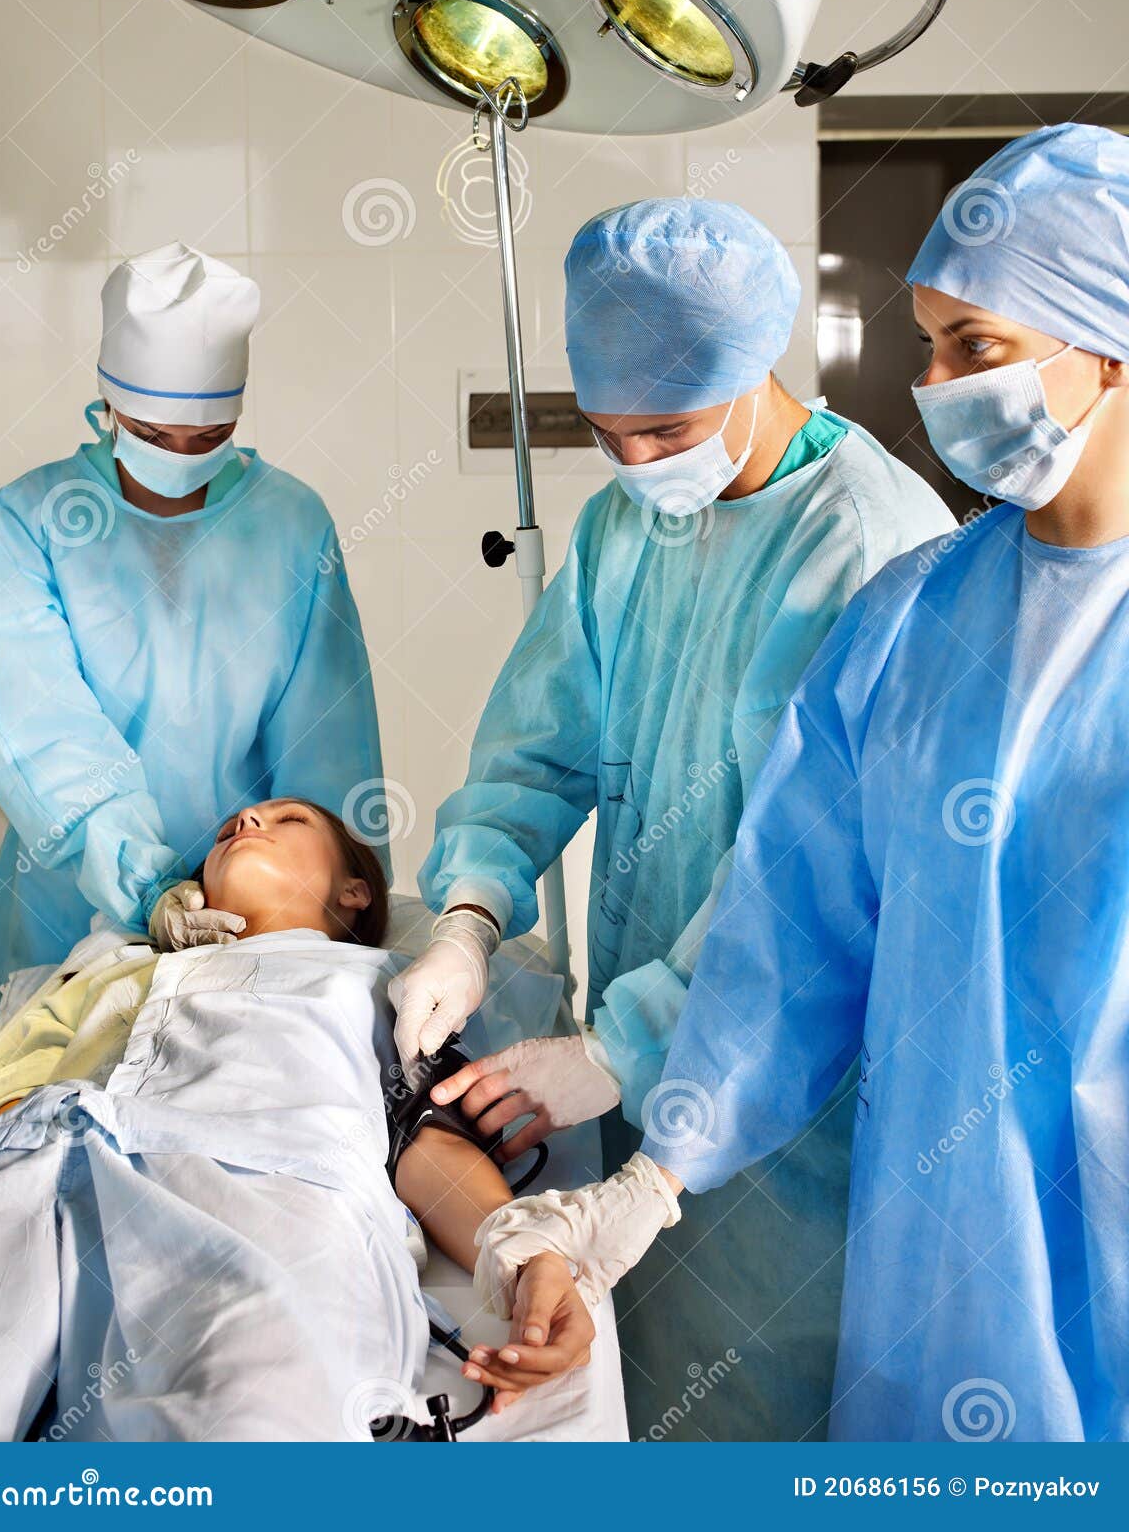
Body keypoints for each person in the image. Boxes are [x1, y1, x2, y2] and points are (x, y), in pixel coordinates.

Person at [465, 123, 1129, 1443]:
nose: (932, 383)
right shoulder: (919, 615)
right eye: (930, 342)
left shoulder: (871, 541)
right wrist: (652, 1179)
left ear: (1107, 351)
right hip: (936, 1238)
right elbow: (796, 931)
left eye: (974, 348)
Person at [390, 199, 955, 1440]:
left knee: (782, 1401)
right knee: (657, 1387)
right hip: (655, 1081)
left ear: (753, 372)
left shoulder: (873, 546)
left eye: (667, 429)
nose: (640, 466)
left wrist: (623, 1047)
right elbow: (541, 741)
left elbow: (821, 882)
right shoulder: (623, 527)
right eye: (607, 435)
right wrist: (471, 915)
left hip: (805, 1102)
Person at [0, 798, 594, 1440]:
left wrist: (531, 1254)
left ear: (355, 892)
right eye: (233, 826)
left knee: (245, 1423)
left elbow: (425, 1138)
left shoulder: (385, 983)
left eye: (290, 819)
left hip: (261, 1198)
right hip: (29, 1166)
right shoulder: (112, 967)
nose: (246, 820)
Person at [0, 241, 386, 998]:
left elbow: (327, 750)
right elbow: (43, 730)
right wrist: (146, 887)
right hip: (68, 919)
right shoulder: (32, 519)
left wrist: (318, 928)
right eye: (155, 436)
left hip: (252, 934)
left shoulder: (290, 522)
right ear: (108, 406)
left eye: (209, 439)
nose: (181, 457)